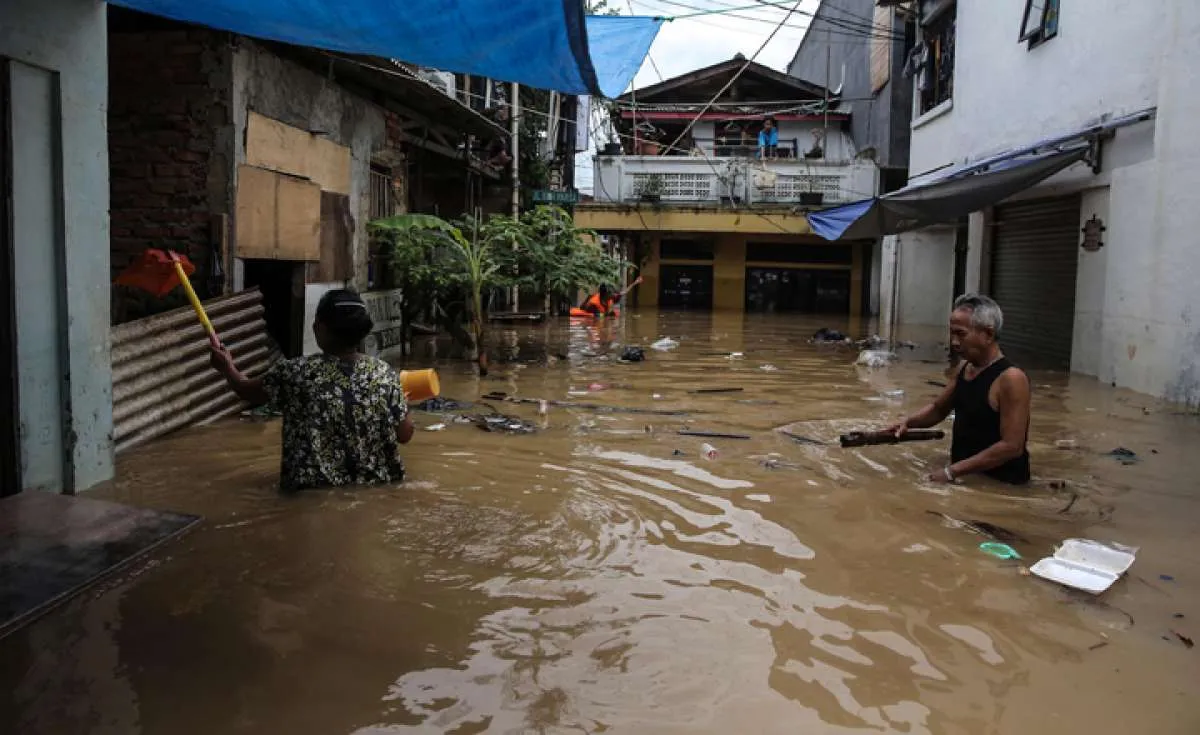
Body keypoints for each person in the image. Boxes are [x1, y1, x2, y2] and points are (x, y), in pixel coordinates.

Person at [208, 289, 414, 491]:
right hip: (376, 493)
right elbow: (404, 434)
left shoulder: (295, 372)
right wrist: (404, 405)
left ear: (320, 328)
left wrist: (227, 367)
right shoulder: (385, 374)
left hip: (311, 493)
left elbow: (246, 390)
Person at [889, 293, 1031, 485]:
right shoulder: (965, 368)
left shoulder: (1011, 379)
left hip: (1001, 483)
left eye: (961, 334)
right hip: (965, 476)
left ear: (987, 334)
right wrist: (907, 422)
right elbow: (939, 409)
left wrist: (950, 472)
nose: (954, 342)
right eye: (952, 333)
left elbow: (1012, 446)